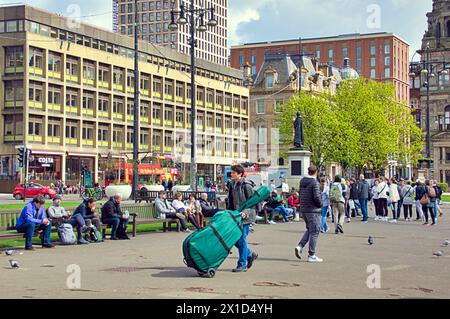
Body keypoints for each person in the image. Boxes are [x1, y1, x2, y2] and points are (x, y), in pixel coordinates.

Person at [227, 164, 258, 272]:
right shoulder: (232, 184)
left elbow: (253, 203)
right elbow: (231, 201)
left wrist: (245, 212)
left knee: (242, 239)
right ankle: (250, 254)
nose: (231, 174)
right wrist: (229, 213)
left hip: (246, 217)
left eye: (233, 173)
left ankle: (242, 264)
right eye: (231, 172)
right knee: (234, 239)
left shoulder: (246, 185)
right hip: (236, 216)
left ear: (240, 174)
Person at [295, 166, 323, 263]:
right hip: (313, 210)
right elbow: (316, 196)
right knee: (315, 232)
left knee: (310, 230)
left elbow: (300, 194)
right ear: (316, 172)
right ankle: (312, 255)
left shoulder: (302, 181)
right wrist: (321, 204)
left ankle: (300, 246)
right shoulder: (314, 183)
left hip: (304, 209)